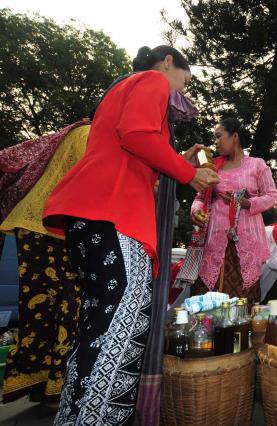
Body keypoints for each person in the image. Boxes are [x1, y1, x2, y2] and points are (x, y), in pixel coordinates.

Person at [43, 45, 218, 425]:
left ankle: (75, 416)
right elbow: (136, 135)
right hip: (113, 214)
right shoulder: (152, 81)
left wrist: (178, 162)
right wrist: (191, 175)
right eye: (184, 82)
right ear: (169, 63)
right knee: (123, 321)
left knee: (98, 323)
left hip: (91, 214)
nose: (180, 92)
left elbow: (133, 150)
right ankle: (98, 418)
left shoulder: (120, 89)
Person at [0, 123, 89, 411]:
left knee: (37, 309)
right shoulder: (90, 135)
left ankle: (34, 381)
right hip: (52, 230)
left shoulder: (74, 132)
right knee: (68, 305)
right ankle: (58, 388)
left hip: (31, 227)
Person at [190, 118, 277, 305]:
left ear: (234, 136)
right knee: (206, 296)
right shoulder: (212, 167)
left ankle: (239, 334)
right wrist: (196, 211)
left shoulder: (257, 165)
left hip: (246, 242)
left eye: (219, 136)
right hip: (214, 240)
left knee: (242, 298)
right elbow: (199, 198)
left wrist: (246, 203)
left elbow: (271, 196)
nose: (216, 142)